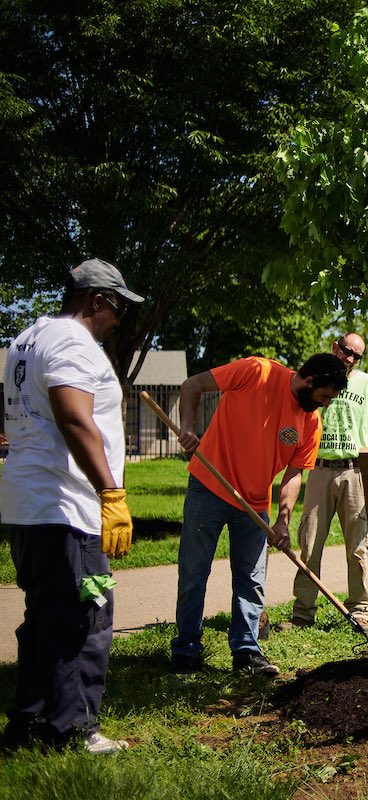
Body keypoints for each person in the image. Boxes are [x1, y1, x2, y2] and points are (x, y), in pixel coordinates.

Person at [1, 259, 143, 753]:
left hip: (27, 504)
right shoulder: (73, 344)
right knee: (85, 617)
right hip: (64, 504)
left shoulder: (29, 338)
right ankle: (73, 732)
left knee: (44, 615)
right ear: (97, 301)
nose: (119, 319)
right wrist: (111, 492)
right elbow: (74, 418)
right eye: (118, 308)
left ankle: (29, 722)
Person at [170, 352, 348, 676]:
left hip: (254, 504)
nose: (323, 404)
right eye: (323, 397)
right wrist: (188, 428)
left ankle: (246, 652)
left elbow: (294, 474)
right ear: (309, 381)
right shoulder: (256, 371)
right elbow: (192, 385)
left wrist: (283, 518)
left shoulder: (310, 422)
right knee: (194, 573)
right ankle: (186, 650)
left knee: (251, 581)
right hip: (209, 486)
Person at [285, 333, 368, 637]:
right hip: (319, 468)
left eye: (356, 355)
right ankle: (303, 613)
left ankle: (359, 611)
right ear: (335, 347)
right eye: (346, 351)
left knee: (358, 547)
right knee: (309, 541)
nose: (349, 358)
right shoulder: (314, 379)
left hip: (356, 471)